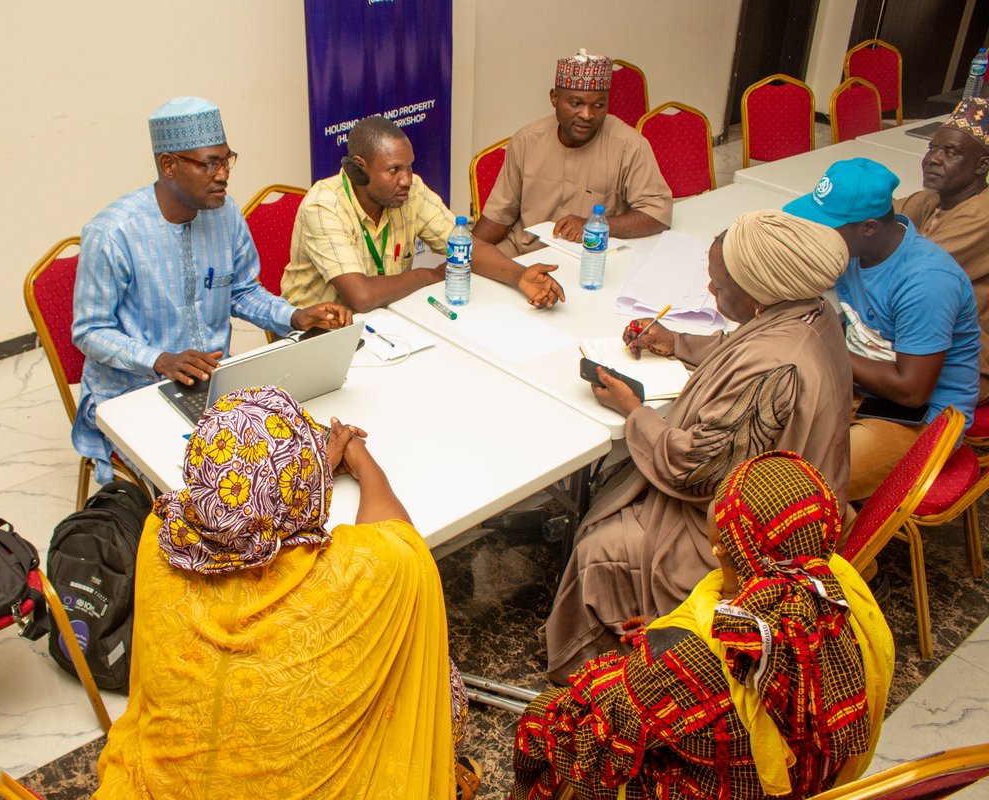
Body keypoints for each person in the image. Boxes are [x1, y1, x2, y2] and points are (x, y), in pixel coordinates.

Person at [94, 386, 479, 799]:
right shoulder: (357, 573)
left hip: (171, 783)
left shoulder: (159, 538)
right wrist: (362, 462)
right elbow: (400, 539)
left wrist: (304, 475)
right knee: (435, 676)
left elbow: (233, 512)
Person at [546, 210, 852, 681]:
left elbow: (695, 469)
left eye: (719, 284)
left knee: (602, 544)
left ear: (757, 293)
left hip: (742, 536)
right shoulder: (809, 312)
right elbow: (742, 346)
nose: (711, 292)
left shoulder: (776, 367)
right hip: (785, 503)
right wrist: (677, 342)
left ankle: (613, 678)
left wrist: (635, 411)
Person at [512, 452, 894, 800]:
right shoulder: (837, 586)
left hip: (717, 788)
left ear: (726, 545)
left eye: (724, 499)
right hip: (809, 780)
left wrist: (658, 650)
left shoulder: (695, 658)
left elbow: (595, 733)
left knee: (544, 719)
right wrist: (670, 627)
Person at [72, 97, 352, 482]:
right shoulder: (113, 234)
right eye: (209, 163)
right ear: (169, 165)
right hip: (132, 393)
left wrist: (295, 316)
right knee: (215, 480)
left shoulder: (226, 214)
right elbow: (90, 331)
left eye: (226, 160)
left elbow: (241, 291)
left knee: (294, 452)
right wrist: (160, 360)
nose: (223, 175)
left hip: (213, 380)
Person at [784, 158, 980, 500]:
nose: (816, 232)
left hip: (921, 420)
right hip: (862, 392)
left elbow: (911, 391)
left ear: (869, 227)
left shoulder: (926, 281)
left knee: (802, 494)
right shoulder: (855, 251)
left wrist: (827, 348)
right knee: (763, 444)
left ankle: (842, 551)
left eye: (826, 225)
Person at [280, 115, 566, 312]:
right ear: (360, 167)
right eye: (394, 170)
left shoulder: (410, 191)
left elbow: (464, 245)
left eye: (409, 167)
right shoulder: (325, 204)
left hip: (386, 316)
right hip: (317, 331)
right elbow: (362, 297)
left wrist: (519, 276)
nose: (407, 179)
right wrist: (428, 275)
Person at [472, 50, 672, 258]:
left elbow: (658, 214)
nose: (588, 115)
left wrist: (595, 225)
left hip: (591, 255)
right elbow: (498, 217)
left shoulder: (629, 145)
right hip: (526, 252)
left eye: (598, 105)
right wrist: (458, 262)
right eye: (576, 104)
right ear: (554, 98)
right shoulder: (526, 141)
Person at [896, 97, 989, 402]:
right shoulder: (937, 196)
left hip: (968, 360)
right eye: (932, 148)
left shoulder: (982, 216)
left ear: (982, 166)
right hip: (923, 336)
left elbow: (907, 272)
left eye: (950, 152)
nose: (932, 159)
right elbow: (874, 217)